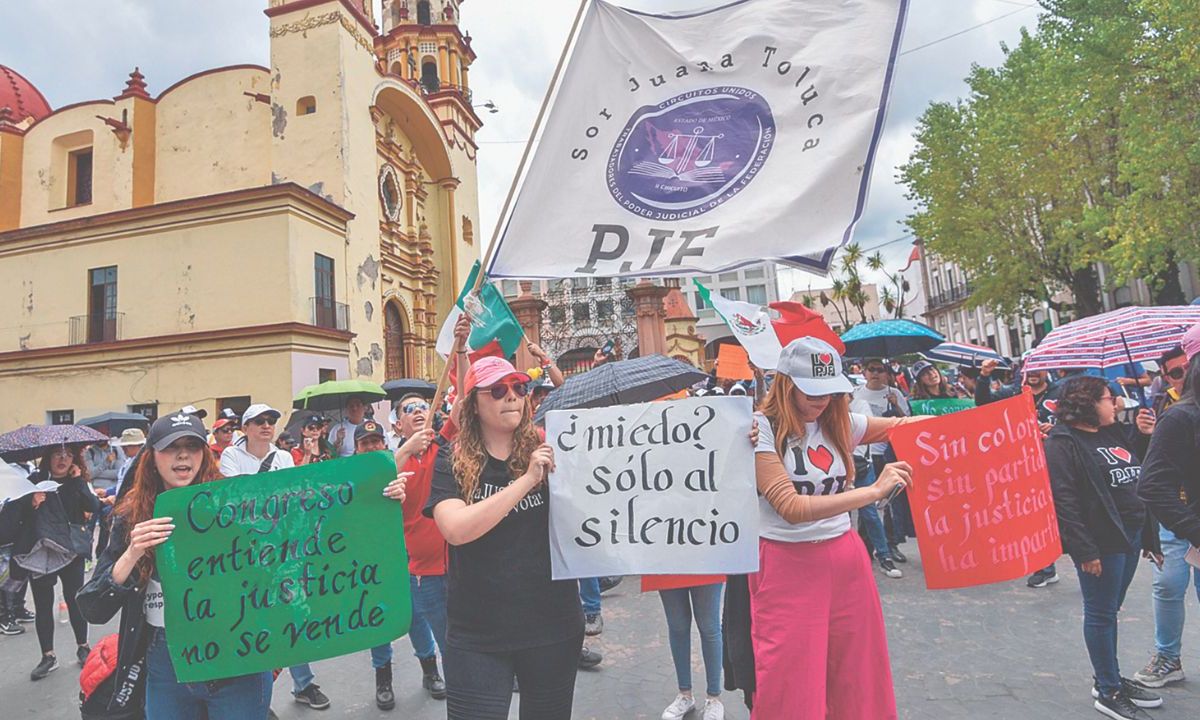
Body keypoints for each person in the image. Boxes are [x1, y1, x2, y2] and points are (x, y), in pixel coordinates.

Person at [750, 337, 924, 718]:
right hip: (785, 564)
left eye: (831, 391)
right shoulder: (761, 428)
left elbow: (905, 425)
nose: (823, 400)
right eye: (813, 391)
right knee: (789, 679)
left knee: (858, 672)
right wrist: (871, 492)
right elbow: (791, 507)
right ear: (786, 385)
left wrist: (1001, 428)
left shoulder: (839, 422)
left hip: (845, 560)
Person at [76, 412, 275, 719]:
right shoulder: (131, 516)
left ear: (204, 455)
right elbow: (93, 608)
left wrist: (372, 496)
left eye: (192, 446)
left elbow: (295, 538)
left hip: (236, 652)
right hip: (166, 658)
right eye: (171, 447)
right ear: (151, 455)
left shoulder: (234, 502)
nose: (183, 454)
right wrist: (132, 553)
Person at [425, 356, 584, 720]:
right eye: (497, 390)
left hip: (553, 626)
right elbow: (456, 529)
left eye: (518, 388)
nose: (511, 396)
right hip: (478, 633)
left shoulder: (550, 444)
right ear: (473, 406)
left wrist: (741, 442)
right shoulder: (452, 458)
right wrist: (526, 480)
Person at [1044, 376, 1163, 719]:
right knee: (1100, 613)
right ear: (1087, 402)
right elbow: (1064, 502)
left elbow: (1131, 472)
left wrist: (1141, 436)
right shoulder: (1062, 442)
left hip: (1130, 534)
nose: (1116, 404)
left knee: (1111, 611)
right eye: (1109, 398)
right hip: (1102, 541)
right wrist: (1085, 551)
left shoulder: (1110, 432)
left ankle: (1108, 677)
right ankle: (1109, 691)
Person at [218, 404, 330, 712]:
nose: (267, 425)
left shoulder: (282, 457)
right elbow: (237, 498)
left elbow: (292, 495)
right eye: (259, 421)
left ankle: (303, 683)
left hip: (282, 549)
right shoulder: (230, 456)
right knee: (256, 621)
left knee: (292, 614)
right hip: (246, 553)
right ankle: (258, 695)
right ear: (246, 427)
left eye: (271, 420)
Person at [1136, 328, 1200, 689]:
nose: (1176, 378)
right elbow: (1150, 482)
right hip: (1180, 520)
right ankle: (1167, 656)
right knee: (1170, 585)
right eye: (1172, 373)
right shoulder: (1176, 414)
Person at [9, 444, 101, 680]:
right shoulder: (33, 480)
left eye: (69, 454)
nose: (63, 459)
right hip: (41, 550)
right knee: (43, 604)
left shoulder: (76, 481)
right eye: (57, 454)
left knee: (74, 599)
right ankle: (48, 656)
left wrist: (80, 482)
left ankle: (83, 646)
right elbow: (13, 516)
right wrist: (31, 503)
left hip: (70, 550)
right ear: (48, 457)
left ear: (74, 459)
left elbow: (93, 507)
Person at [977, 357, 1062, 588]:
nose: (1033, 373)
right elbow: (983, 403)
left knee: (1058, 513)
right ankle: (1044, 566)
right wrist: (984, 376)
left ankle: (1067, 558)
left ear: (1047, 370)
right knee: (1035, 515)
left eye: (1038, 368)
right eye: (1028, 369)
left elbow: (1076, 419)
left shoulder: (1060, 394)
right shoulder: (1013, 393)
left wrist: (1057, 428)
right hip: (1023, 465)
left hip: (1056, 461)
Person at [851, 359, 910, 577]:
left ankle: (889, 546)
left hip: (886, 453)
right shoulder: (856, 394)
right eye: (871, 369)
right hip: (862, 456)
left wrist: (895, 405)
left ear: (886, 374)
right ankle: (870, 548)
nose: (876, 373)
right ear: (864, 373)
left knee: (887, 504)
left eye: (880, 370)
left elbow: (907, 421)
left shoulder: (894, 392)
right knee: (868, 505)